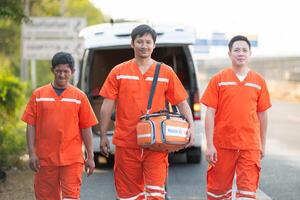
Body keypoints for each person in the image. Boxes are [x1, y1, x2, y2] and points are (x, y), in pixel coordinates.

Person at [99, 24, 195, 200]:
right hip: (126, 143)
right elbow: (107, 107)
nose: (144, 45)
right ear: (132, 44)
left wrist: (191, 128)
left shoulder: (166, 72)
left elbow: (182, 102)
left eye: (148, 42)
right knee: (128, 195)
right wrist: (103, 135)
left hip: (157, 143)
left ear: (154, 45)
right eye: (140, 41)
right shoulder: (118, 72)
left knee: (156, 193)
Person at [201, 35, 272, 200]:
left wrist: (262, 144)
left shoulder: (258, 81)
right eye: (237, 50)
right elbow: (209, 113)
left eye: (245, 50)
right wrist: (210, 145)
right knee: (217, 193)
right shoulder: (218, 80)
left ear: (250, 53)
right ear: (229, 53)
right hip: (222, 145)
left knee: (247, 193)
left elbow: (262, 114)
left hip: (250, 145)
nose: (241, 53)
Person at [22, 52, 98, 200]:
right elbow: (30, 125)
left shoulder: (79, 97)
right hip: (44, 159)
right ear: (52, 70)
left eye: (66, 71)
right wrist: (32, 153)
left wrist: (90, 156)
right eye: (58, 71)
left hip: (72, 159)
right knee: (46, 197)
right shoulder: (39, 95)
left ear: (73, 72)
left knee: (71, 196)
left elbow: (86, 127)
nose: (62, 75)